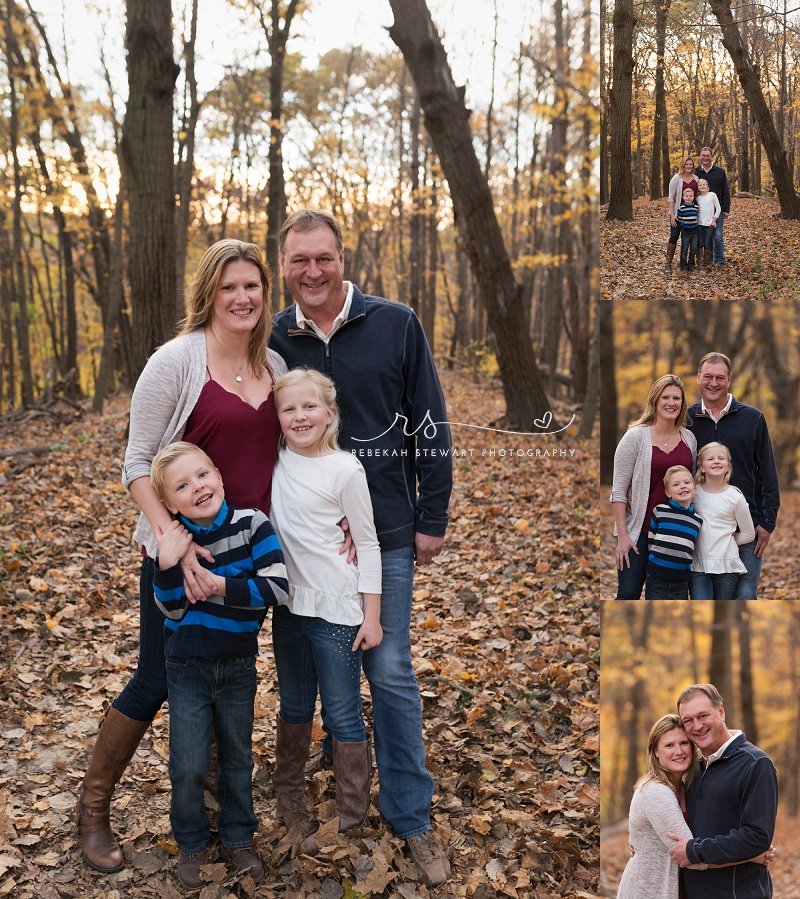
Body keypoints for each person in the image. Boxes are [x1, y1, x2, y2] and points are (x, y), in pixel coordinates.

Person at [75, 239, 288, 873]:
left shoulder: (273, 362)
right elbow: (136, 465)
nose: (242, 297)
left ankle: (225, 821)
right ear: (207, 295)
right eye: (229, 287)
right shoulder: (175, 362)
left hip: (249, 551)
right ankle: (92, 812)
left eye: (251, 285)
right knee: (159, 675)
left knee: (230, 676)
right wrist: (173, 540)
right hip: (185, 551)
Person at [269, 208, 453, 886]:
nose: (312, 270)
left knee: (392, 668)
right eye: (299, 261)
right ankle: (324, 779)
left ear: (342, 258)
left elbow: (429, 419)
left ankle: (411, 816)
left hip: (388, 534)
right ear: (284, 266)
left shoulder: (396, 322)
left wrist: (432, 514)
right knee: (312, 671)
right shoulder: (272, 338)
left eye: (323, 257)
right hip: (303, 545)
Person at [150, 443, 288, 889]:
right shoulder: (173, 541)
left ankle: (237, 837)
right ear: (170, 504)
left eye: (202, 475)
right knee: (188, 764)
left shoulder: (253, 525)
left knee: (236, 756)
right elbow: (170, 609)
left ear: (220, 476)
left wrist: (219, 586)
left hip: (237, 665)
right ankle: (191, 843)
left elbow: (277, 587)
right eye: (183, 486)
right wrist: (170, 563)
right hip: (186, 667)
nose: (198, 488)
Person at [268, 369, 383, 849]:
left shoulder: (345, 469)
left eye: (309, 406)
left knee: (340, 712)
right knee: (294, 704)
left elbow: (369, 543)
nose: (299, 416)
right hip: (288, 607)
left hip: (338, 609)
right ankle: (289, 800)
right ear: (276, 418)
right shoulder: (272, 462)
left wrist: (372, 616)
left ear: (330, 414)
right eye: (288, 408)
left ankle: (351, 815)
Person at [616, 715, 772, 899]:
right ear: (655, 751)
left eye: (684, 743)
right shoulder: (657, 792)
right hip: (649, 890)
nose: (679, 751)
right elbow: (691, 858)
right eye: (669, 745)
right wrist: (751, 856)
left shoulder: (685, 784)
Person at [668, 683, 778, 899]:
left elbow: (757, 837)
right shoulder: (692, 767)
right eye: (688, 721)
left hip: (738, 893)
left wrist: (693, 850)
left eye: (702, 716)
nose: (696, 726)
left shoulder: (756, 763)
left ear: (721, 711)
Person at [687, 352, 779, 598]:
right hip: (702, 528)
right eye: (708, 376)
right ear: (698, 378)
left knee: (744, 596)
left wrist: (767, 522)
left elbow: (768, 472)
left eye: (720, 377)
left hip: (747, 524)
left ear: (729, 380)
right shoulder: (686, 420)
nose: (713, 383)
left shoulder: (753, 418)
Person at [611, 374, 697, 600]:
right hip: (639, 532)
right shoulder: (635, 437)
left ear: (682, 403)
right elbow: (618, 491)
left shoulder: (689, 439)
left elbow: (691, 482)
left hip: (674, 532)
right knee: (628, 594)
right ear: (655, 401)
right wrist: (623, 537)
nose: (671, 403)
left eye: (676, 398)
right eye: (665, 397)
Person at [689, 442, 754, 600]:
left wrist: (730, 541)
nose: (716, 461)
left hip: (726, 565)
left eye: (721, 458)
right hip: (698, 565)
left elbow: (748, 534)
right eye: (710, 458)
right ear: (702, 467)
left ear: (728, 467)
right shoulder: (693, 493)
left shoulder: (735, 497)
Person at [645, 466, 702, 599]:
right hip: (656, 577)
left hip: (681, 582)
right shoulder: (660, 511)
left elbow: (691, 548)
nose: (682, 486)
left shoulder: (697, 520)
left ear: (694, 488)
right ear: (668, 493)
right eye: (676, 484)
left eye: (687, 483)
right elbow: (651, 541)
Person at [695, 147, 731, 268]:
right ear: (700, 157)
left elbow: (725, 191)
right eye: (703, 155)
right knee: (707, 237)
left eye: (707, 156)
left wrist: (726, 209)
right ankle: (708, 260)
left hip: (717, 210)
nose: (705, 158)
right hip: (703, 211)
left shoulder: (720, 171)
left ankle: (719, 261)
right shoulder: (696, 172)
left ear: (711, 157)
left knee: (717, 235)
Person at [665, 157, 698, 274]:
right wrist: (672, 214)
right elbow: (671, 197)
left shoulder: (696, 178)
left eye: (691, 164)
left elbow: (698, 196)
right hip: (678, 214)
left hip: (691, 215)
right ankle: (668, 263)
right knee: (674, 236)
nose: (689, 166)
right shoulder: (676, 178)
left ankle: (690, 264)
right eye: (687, 164)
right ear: (683, 165)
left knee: (691, 240)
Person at [694, 179, 720, 272]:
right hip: (699, 224)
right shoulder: (698, 198)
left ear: (707, 185)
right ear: (698, 187)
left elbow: (718, 209)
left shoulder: (712, 195)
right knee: (700, 243)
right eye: (700, 185)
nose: (702, 186)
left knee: (707, 243)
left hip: (709, 224)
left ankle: (706, 263)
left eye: (704, 184)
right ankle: (700, 264)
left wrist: (714, 220)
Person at [675, 187, 699, 274]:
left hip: (694, 232)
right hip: (685, 232)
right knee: (684, 249)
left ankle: (691, 265)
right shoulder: (681, 208)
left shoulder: (696, 208)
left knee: (693, 249)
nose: (689, 197)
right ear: (683, 197)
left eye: (690, 196)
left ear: (693, 197)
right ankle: (683, 266)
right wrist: (684, 226)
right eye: (687, 196)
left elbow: (697, 218)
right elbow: (680, 219)